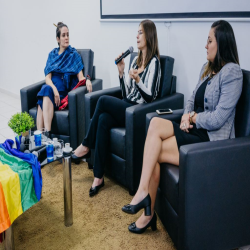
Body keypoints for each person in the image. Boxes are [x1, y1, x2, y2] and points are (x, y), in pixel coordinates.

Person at [122, 20, 243, 234]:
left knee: (154, 151)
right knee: (155, 124)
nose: (206, 45)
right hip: (194, 129)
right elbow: (190, 99)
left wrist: (194, 118)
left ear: (222, 43)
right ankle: (143, 196)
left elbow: (218, 118)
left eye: (209, 40)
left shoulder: (232, 73)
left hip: (210, 139)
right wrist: (186, 115)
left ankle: (147, 212)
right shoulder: (206, 69)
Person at [72, 19, 161, 197]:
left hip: (138, 112)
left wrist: (138, 80)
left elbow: (151, 96)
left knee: (103, 100)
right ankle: (98, 177)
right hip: (128, 105)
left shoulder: (154, 63)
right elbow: (126, 93)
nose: (137, 36)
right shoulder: (135, 61)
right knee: (103, 119)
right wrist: (121, 72)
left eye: (141, 33)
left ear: (149, 35)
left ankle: (86, 144)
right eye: (137, 32)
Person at [36, 22, 92, 136]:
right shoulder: (52, 55)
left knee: (43, 94)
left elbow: (81, 77)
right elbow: (48, 78)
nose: (66, 38)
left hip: (62, 95)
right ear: (58, 39)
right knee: (45, 90)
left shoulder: (73, 55)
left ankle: (42, 137)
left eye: (68, 35)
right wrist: (54, 90)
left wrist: (88, 79)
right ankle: (44, 136)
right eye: (63, 35)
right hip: (52, 91)